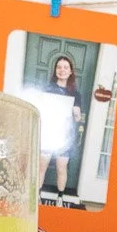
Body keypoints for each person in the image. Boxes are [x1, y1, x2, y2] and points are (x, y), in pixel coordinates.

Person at [37, 54, 85, 206]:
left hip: (64, 136)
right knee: (41, 166)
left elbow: (77, 118)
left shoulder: (75, 94)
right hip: (48, 134)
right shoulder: (47, 89)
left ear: (71, 71)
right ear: (55, 70)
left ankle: (60, 197)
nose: (62, 70)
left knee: (61, 167)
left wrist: (76, 114)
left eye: (65, 67)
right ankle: (37, 196)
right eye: (59, 67)